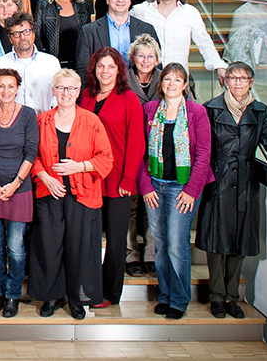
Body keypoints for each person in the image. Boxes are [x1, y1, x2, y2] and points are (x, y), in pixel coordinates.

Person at [29, 69, 113, 320]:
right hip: (49, 192)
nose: (66, 93)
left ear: (79, 92)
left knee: (81, 248)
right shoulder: (41, 120)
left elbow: (106, 158)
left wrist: (80, 166)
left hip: (84, 194)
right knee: (49, 245)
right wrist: (44, 177)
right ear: (53, 91)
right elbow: (30, 155)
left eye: (71, 88)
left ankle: (78, 298)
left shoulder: (92, 121)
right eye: (61, 88)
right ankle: (51, 297)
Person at [198, 62, 267, 319]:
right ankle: (217, 296)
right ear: (225, 81)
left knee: (240, 241)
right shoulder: (210, 108)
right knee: (216, 241)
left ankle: (232, 297)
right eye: (233, 78)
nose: (238, 83)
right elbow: (204, 148)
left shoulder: (261, 111)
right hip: (217, 181)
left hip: (246, 183)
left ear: (251, 82)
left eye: (243, 78)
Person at [139, 63, 214, 320]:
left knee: (176, 244)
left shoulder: (196, 112)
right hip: (155, 187)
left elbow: (204, 154)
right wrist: (146, 185)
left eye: (177, 79)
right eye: (167, 79)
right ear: (161, 84)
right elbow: (140, 152)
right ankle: (165, 294)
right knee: (160, 244)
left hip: (183, 188)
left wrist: (192, 190)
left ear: (185, 84)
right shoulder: (149, 110)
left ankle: (179, 299)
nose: (171, 83)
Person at [79, 47, 145, 306]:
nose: (105, 72)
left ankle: (110, 293)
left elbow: (137, 143)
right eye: (100, 66)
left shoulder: (129, 99)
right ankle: (89, 288)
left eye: (110, 67)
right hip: (88, 178)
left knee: (116, 241)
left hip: (118, 181)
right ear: (93, 69)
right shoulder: (85, 96)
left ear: (119, 70)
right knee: (90, 238)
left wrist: (128, 179)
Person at [0, 68, 38, 318]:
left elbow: (31, 152)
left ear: (17, 88)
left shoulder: (28, 115)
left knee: (15, 247)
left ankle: (13, 295)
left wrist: (15, 183)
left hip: (19, 189)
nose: (5, 91)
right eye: (1, 86)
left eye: (10, 86)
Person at [130, 0, 228, 86]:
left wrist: (219, 65)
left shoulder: (190, 13)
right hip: (148, 81)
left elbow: (205, 43)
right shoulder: (140, 11)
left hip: (178, 81)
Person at [125, 33, 162, 276]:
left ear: (157, 59)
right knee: (130, 203)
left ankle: (151, 252)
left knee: (153, 203)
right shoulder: (123, 80)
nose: (145, 60)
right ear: (133, 58)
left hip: (158, 152)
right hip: (129, 148)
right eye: (141, 55)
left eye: (150, 56)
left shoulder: (166, 79)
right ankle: (131, 253)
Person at [76, 0, 160, 81]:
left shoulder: (147, 29)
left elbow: (157, 67)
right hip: (101, 92)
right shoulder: (89, 32)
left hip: (138, 93)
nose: (120, 0)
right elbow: (83, 71)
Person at [0, 12, 60, 115]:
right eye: (16, 34)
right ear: (10, 38)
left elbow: (57, 99)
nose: (22, 37)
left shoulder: (51, 62)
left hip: (43, 123)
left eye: (26, 31)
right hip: (10, 125)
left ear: (33, 34)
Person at [35, 0, 90, 68]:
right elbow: (37, 37)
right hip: (51, 65)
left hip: (78, 65)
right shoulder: (43, 5)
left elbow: (87, 37)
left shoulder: (82, 6)